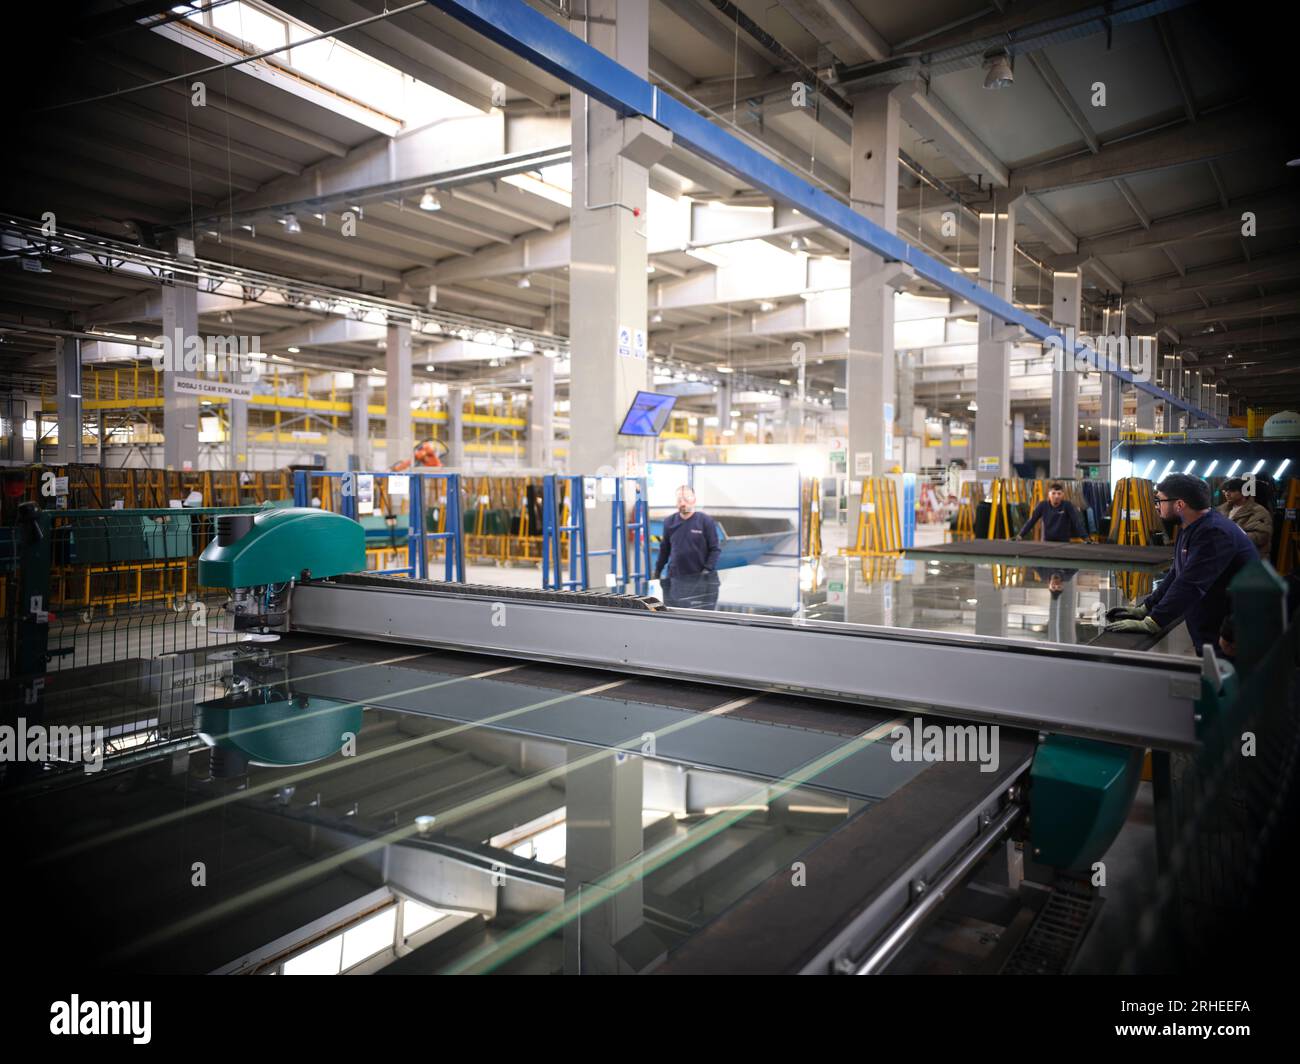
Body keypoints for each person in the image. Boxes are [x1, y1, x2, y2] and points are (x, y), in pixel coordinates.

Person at [1106, 474, 1258, 651]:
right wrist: (1147, 608)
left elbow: (1191, 583)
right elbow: (1177, 573)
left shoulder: (1214, 533)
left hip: (1230, 633)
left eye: (1160, 500)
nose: (1157, 506)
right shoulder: (1192, 526)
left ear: (1179, 504)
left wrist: (1154, 622)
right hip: (1210, 624)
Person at [654, 485, 720, 580]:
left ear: (694, 500)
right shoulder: (669, 522)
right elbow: (664, 550)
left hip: (700, 578)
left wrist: (707, 570)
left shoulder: (705, 521)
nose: (683, 503)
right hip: (675, 578)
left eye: (686, 499)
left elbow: (715, 550)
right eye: (679, 500)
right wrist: (657, 571)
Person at [1217, 477, 1272, 558]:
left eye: (1232, 491)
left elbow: (1261, 536)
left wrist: (1231, 537)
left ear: (1244, 492)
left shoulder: (1258, 511)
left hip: (1249, 560)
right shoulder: (1220, 510)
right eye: (1225, 491)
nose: (1227, 494)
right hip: (1226, 558)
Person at [1017, 482, 1088, 543]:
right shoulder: (1042, 505)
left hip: (1063, 542)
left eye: (1059, 494)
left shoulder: (1067, 505)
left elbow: (1076, 521)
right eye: (1053, 493)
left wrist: (1085, 538)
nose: (1056, 496)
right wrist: (1020, 535)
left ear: (1063, 495)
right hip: (1047, 541)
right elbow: (1032, 520)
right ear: (1049, 495)